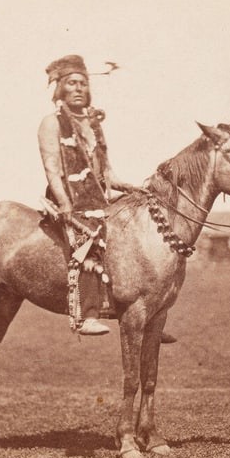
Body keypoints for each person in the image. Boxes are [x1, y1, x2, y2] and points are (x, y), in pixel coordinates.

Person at [38, 55, 137, 336]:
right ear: (60, 89)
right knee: (89, 236)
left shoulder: (94, 124)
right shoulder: (51, 123)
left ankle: (137, 312)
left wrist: (133, 189)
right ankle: (88, 315)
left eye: (83, 82)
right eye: (72, 82)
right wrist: (67, 205)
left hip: (98, 199)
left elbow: (108, 174)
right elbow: (52, 170)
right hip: (68, 200)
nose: (79, 88)